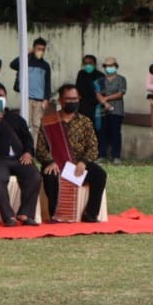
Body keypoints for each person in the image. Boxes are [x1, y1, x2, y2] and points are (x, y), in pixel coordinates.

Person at [36, 83, 108, 222]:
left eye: (75, 98)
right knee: (50, 176)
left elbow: (93, 147)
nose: (72, 102)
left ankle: (90, 214)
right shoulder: (48, 121)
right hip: (55, 163)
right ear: (60, 100)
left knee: (99, 175)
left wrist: (83, 162)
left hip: (78, 164)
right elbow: (40, 148)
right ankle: (55, 215)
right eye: (68, 99)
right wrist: (50, 161)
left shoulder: (85, 122)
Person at [0, 82, 44, 226]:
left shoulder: (15, 118)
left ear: (6, 97)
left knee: (34, 176)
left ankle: (25, 213)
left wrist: (28, 152)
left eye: (1, 95)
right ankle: (8, 216)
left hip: (19, 158)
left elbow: (27, 138)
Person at [10, 37, 53, 123]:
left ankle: (34, 137)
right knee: (25, 123)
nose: (41, 51)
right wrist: (25, 53)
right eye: (38, 49)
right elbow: (13, 65)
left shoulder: (45, 66)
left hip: (40, 101)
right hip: (27, 99)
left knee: (37, 125)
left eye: (43, 49)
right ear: (34, 48)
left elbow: (48, 83)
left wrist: (46, 99)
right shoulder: (26, 61)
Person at [94, 58, 127, 162]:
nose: (110, 68)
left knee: (115, 132)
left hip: (116, 109)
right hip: (102, 110)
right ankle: (102, 155)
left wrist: (107, 99)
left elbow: (121, 93)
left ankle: (116, 156)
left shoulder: (121, 79)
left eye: (112, 65)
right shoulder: (100, 81)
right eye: (107, 66)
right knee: (102, 132)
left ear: (116, 66)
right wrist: (104, 103)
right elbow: (97, 94)